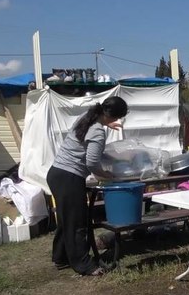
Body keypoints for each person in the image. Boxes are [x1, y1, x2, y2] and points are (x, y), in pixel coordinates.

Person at [46, 96, 128, 276]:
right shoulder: (98, 131)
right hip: (69, 177)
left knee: (66, 219)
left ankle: (60, 258)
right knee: (77, 223)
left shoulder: (87, 116)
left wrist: (107, 124)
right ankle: (83, 264)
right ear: (114, 117)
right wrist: (107, 175)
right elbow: (92, 163)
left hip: (56, 173)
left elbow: (89, 135)